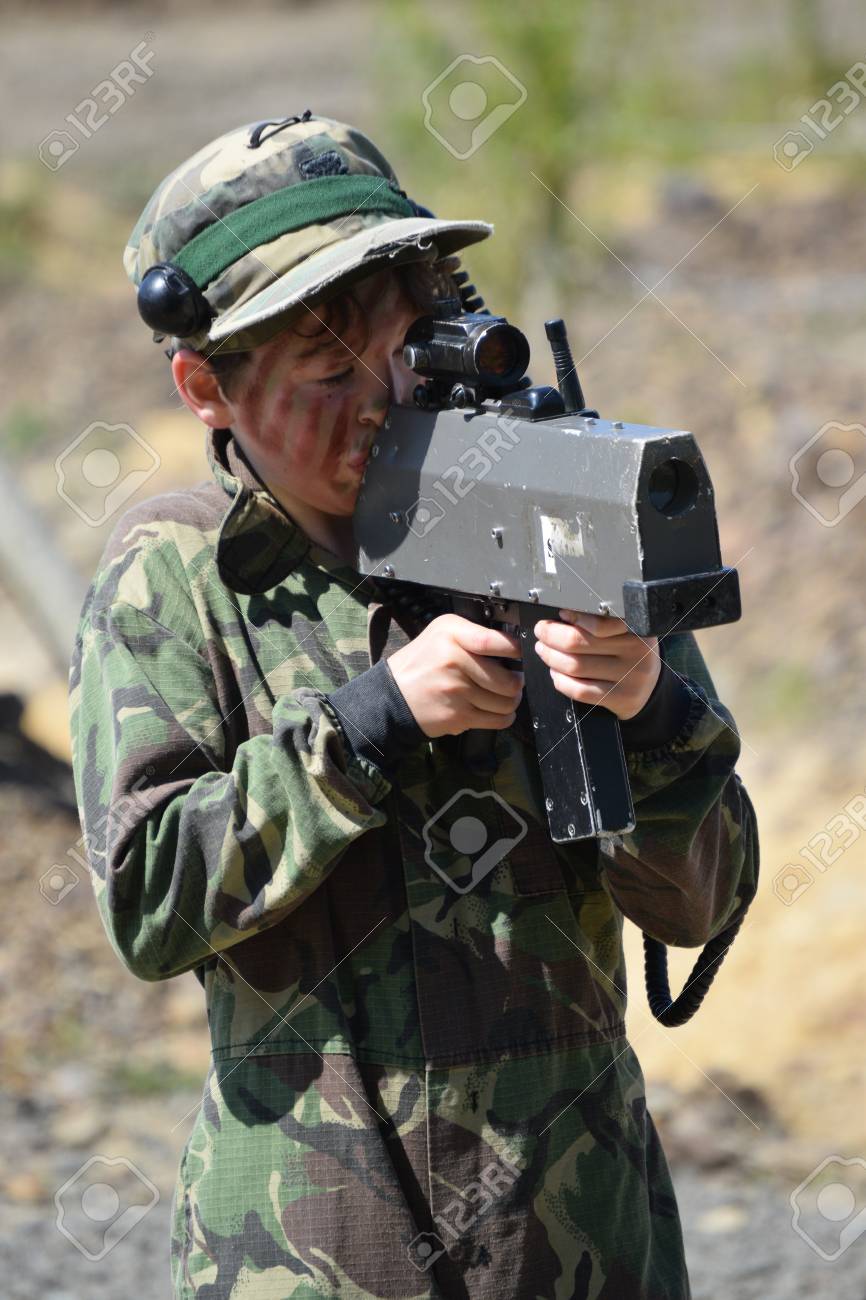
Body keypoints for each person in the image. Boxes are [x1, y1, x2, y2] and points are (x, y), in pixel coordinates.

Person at [68, 112, 759, 1300]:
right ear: (204, 386)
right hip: (315, 1248)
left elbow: (700, 902)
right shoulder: (174, 577)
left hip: (577, 1238)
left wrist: (646, 713)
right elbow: (147, 900)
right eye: (328, 374)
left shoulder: (550, 509)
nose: (382, 401)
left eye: (403, 355)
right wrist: (363, 727)